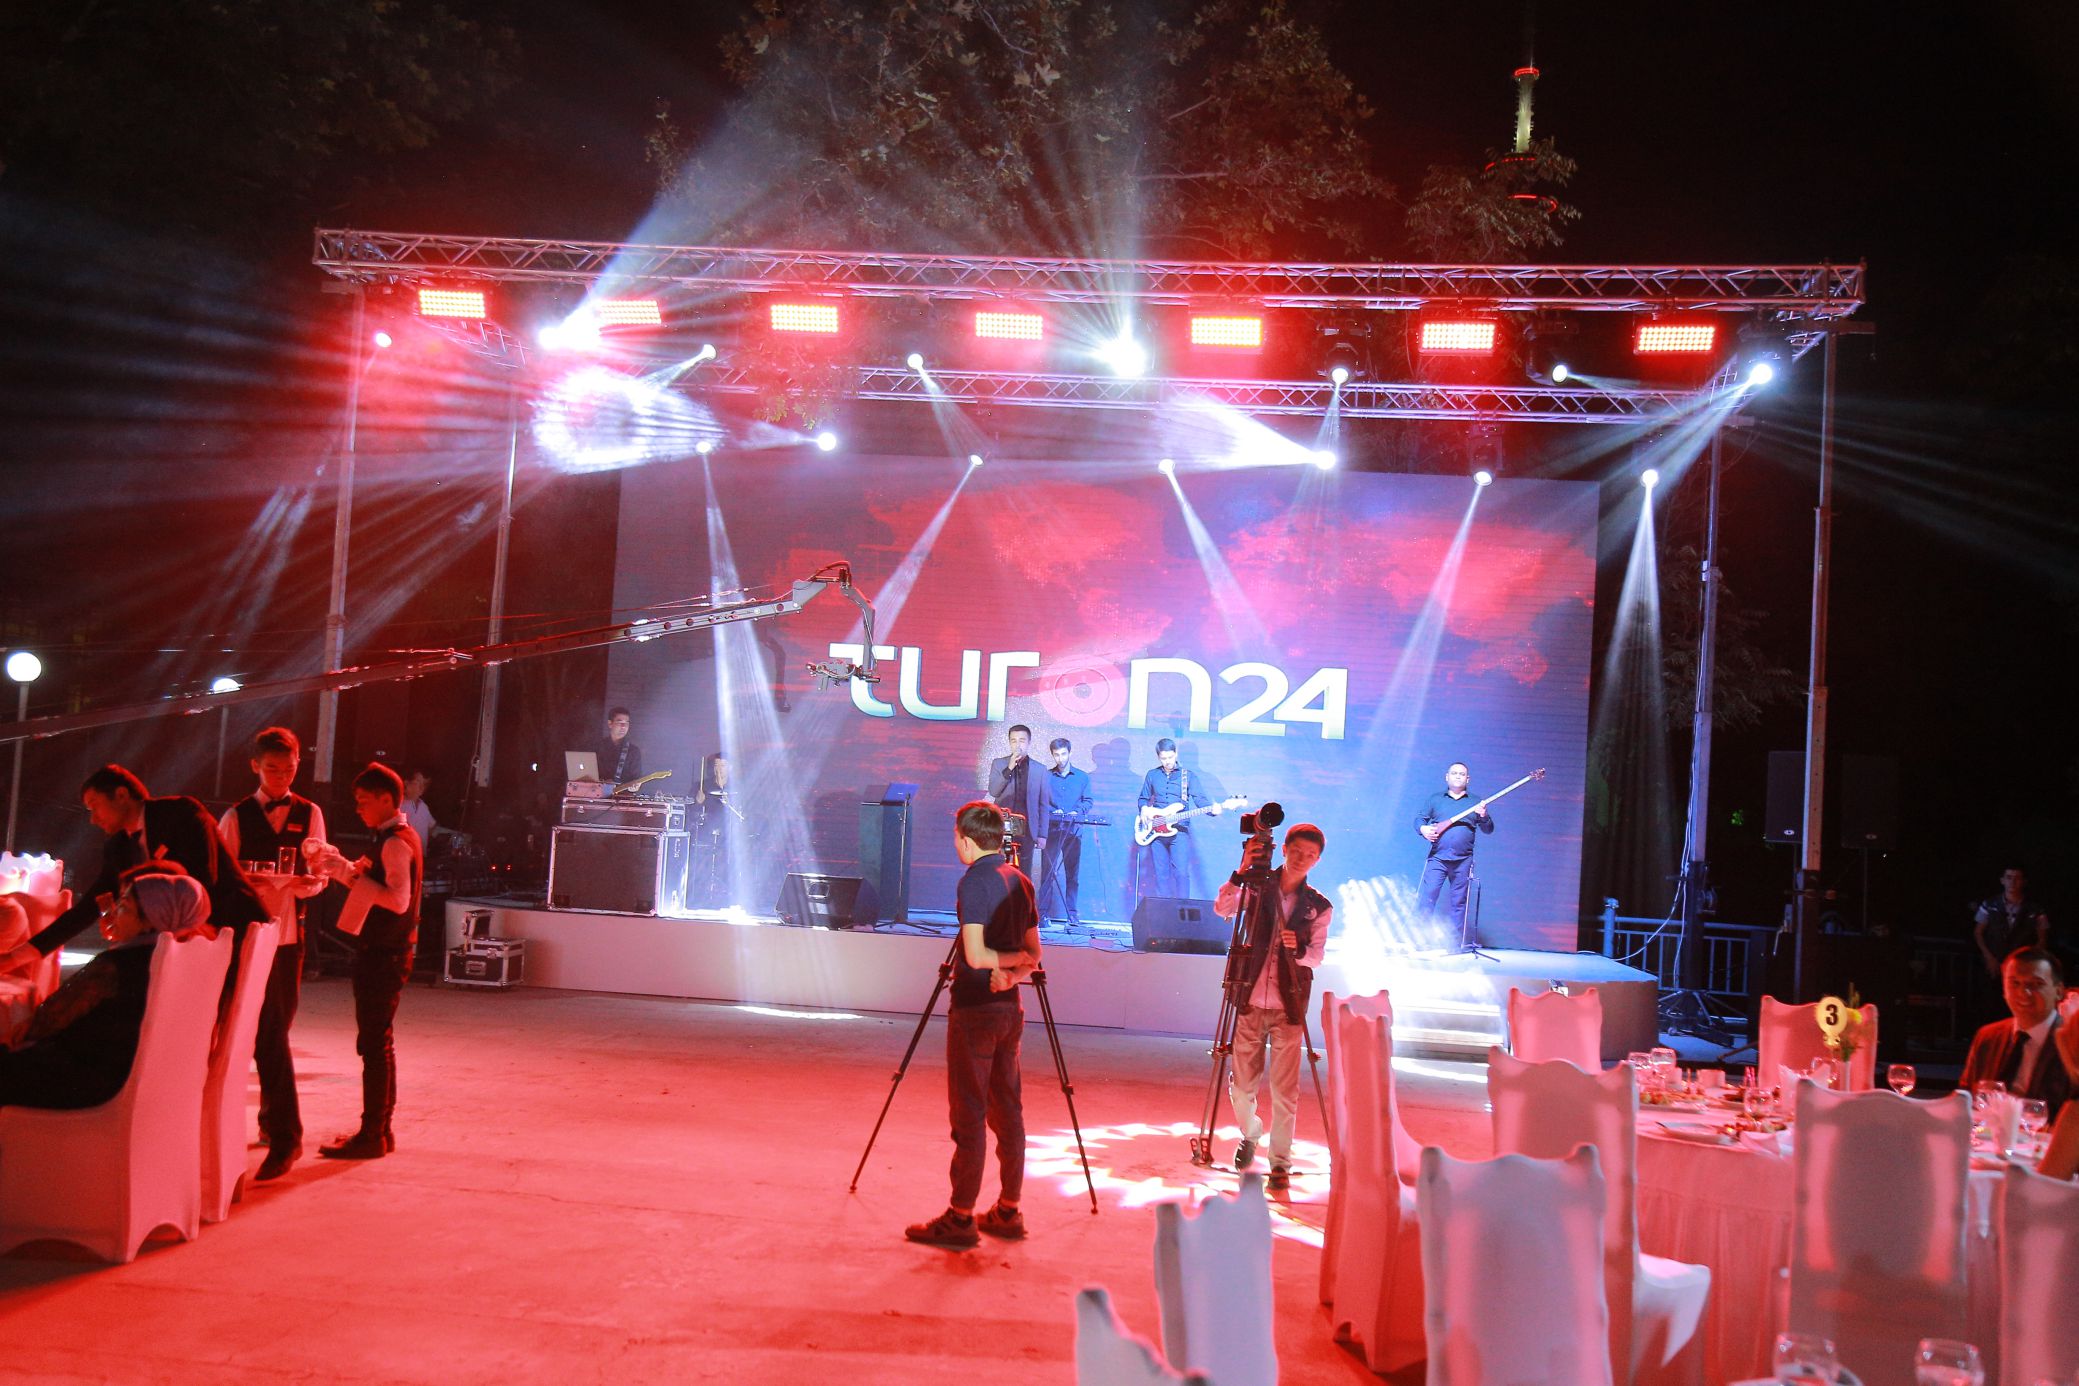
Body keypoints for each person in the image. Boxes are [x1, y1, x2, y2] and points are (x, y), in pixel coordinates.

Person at [906, 801, 1042, 1250]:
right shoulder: (1020, 880)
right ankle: (1009, 1209)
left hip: (975, 1011)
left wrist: (1005, 963)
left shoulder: (974, 881)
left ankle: (961, 1217)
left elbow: (977, 955)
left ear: (966, 840)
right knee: (1009, 1112)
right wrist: (1015, 971)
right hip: (1009, 1009)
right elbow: (1034, 954)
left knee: (969, 1115)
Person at [2, 765, 266, 973]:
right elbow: (86, 909)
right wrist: (16, 957)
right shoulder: (118, 847)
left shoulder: (180, 814)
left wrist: (140, 922)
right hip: (179, 953)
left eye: (95, 806)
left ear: (121, 795)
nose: (93, 819)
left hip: (235, 928)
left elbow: (202, 882)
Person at [0, 869, 213, 1109]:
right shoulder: (184, 964)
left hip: (90, 1080)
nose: (114, 913)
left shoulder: (118, 964)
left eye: (124, 907)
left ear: (149, 921)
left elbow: (46, 1021)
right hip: (138, 1083)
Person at [217, 727, 328, 1182]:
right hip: (246, 938)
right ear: (255, 767)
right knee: (264, 1036)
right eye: (272, 769)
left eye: (289, 769)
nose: (281, 777)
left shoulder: (310, 812)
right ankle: (286, 1137)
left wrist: (307, 884)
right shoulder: (236, 816)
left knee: (276, 1032)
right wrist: (253, 884)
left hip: (287, 938)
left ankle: (271, 1124)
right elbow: (221, 877)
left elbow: (319, 873)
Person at [312, 762, 422, 1160]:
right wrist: (345, 871)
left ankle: (373, 1131)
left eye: (363, 801)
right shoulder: (396, 838)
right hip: (388, 951)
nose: (358, 808)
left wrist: (350, 875)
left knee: (374, 1045)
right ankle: (379, 1130)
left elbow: (397, 900)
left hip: (384, 953)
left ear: (386, 800)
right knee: (378, 1044)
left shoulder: (394, 842)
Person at [1215, 822, 1330, 1190]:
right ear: (1283, 850)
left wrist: (1299, 948)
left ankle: (1280, 1163)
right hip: (1250, 1000)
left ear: (1317, 860)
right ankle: (1251, 1133)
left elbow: (1316, 957)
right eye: (1296, 851)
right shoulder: (1257, 886)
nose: (1302, 859)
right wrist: (1240, 871)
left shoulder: (1318, 906)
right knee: (1241, 1089)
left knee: (1285, 1092)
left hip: (1288, 1007)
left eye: (1310, 855)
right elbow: (1223, 908)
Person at [1958, 946, 2077, 1120]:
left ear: (2059, 991)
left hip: (2047, 1135)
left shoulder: (2072, 1040)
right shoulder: (1988, 1036)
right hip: (1987, 1134)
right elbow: (1965, 1097)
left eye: (2036, 984)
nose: (2023, 992)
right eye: (2014, 983)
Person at [1415, 762, 1494, 938]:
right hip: (1438, 858)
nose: (1458, 776)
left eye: (1462, 774)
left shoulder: (1476, 802)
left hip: (1463, 860)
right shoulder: (1435, 799)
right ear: (1447, 777)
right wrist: (1423, 829)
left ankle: (1454, 942)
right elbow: (1419, 820)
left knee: (1459, 901)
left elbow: (1488, 829)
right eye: (1454, 773)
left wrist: (1484, 815)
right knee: (1428, 897)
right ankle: (1419, 938)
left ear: (1468, 779)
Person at [1138, 738, 1216, 898]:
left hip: (1179, 831)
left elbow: (1200, 799)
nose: (1168, 761)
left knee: (1181, 873)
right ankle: (1163, 909)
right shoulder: (1152, 775)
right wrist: (1144, 809)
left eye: (1170, 757)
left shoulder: (1188, 776)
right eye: (1163, 758)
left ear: (1176, 754)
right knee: (1161, 875)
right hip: (1156, 831)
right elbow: (1143, 799)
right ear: (1158, 757)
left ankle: (1182, 908)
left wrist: (1213, 810)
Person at [986, 724, 1049, 888]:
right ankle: (1002, 903)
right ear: (1009, 743)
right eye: (1013, 741)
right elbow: (994, 791)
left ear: (1029, 742)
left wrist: (1042, 834)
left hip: (1028, 829)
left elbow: (1043, 804)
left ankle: (1022, 903)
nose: (1017, 745)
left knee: (1024, 874)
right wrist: (1009, 768)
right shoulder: (999, 764)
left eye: (1022, 740)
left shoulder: (1040, 770)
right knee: (1002, 871)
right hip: (1004, 827)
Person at [1041, 737, 1092, 926]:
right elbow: (1040, 801)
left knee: (1073, 875)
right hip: (1052, 831)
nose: (1060, 758)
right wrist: (1052, 812)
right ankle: (1042, 915)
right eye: (1056, 755)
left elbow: (1088, 801)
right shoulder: (1045, 776)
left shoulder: (1082, 777)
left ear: (1070, 753)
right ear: (1052, 755)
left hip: (1073, 832)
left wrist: (1076, 812)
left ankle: (1072, 915)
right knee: (1047, 873)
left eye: (1063, 754)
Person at [1974, 868, 2050, 978]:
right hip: (1994, 963)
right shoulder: (1989, 904)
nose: (2012, 882)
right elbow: (1978, 933)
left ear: (2024, 881)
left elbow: (2042, 939)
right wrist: (1988, 957)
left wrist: (2029, 961)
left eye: (2017, 878)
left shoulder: (2035, 909)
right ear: (2002, 880)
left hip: (2021, 965)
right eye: (2009, 877)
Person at [690, 751, 739, 909]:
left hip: (729, 833)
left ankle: (730, 894)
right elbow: (691, 813)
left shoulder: (738, 787)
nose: (719, 769)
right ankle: (700, 894)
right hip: (707, 832)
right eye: (716, 765)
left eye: (723, 765)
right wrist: (698, 803)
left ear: (730, 767)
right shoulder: (701, 786)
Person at [596, 707, 643, 785]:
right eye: (619, 722)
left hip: (623, 792)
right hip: (597, 791)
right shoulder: (597, 747)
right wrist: (602, 782)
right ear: (610, 724)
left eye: (626, 723)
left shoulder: (634, 751)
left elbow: (637, 779)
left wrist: (636, 786)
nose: (623, 726)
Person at [400, 768, 437, 845]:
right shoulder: (399, 806)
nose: (422, 788)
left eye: (424, 784)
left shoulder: (423, 806)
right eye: (417, 783)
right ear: (406, 783)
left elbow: (432, 825)